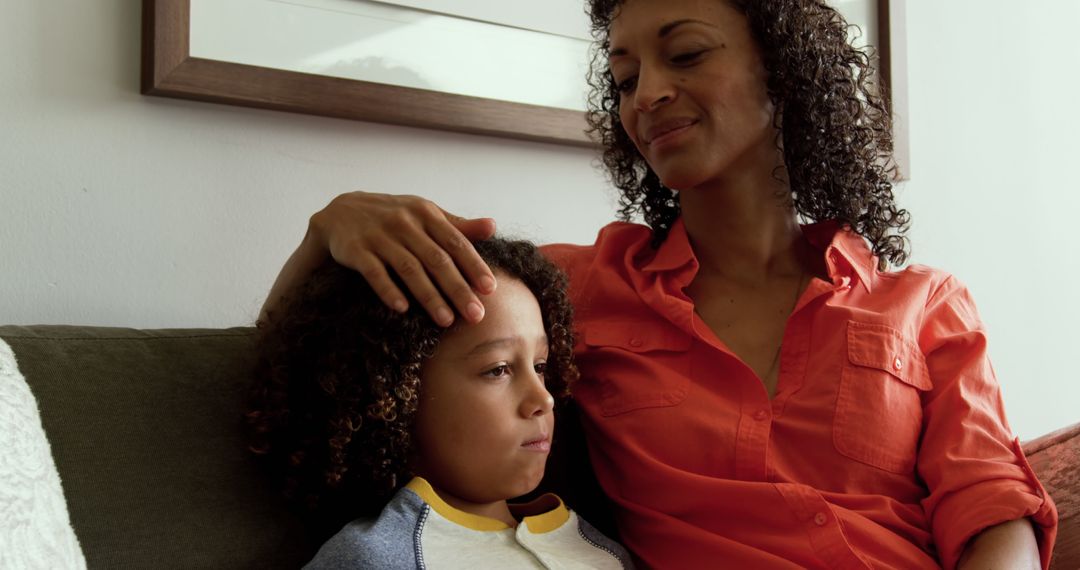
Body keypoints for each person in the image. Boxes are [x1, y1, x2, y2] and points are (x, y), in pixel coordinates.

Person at [260, 0, 1058, 568]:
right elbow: (318, 358)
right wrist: (326, 230)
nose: (646, 96)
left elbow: (992, 511)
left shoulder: (924, 303)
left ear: (783, 70)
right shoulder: (572, 290)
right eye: (624, 76)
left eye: (685, 54)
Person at [248, 238, 633, 569]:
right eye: (498, 370)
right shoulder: (374, 558)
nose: (543, 398)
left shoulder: (601, 549)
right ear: (393, 395)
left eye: (540, 366)